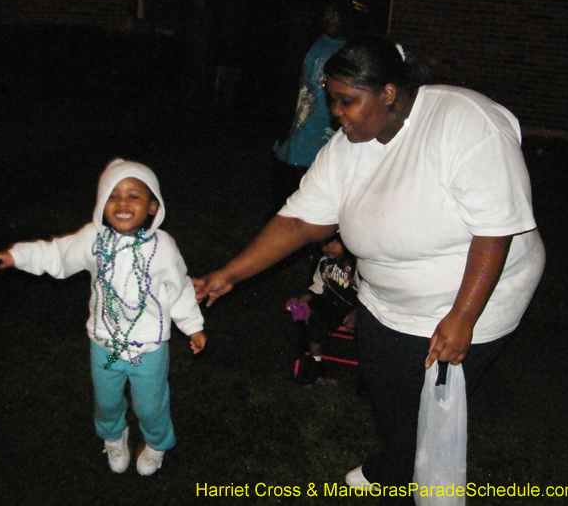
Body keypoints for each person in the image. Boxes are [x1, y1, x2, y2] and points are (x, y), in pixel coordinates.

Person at [195, 37, 545, 503]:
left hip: (478, 295)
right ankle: (395, 463)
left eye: (346, 101)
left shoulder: (464, 123)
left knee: (431, 409)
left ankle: (418, 476)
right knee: (387, 393)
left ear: (388, 93)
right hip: (384, 298)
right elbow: (301, 220)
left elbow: (494, 230)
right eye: (333, 100)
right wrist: (230, 274)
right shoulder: (349, 146)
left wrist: (463, 318)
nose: (336, 113)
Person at [0, 158, 206, 476]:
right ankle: (114, 436)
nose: (122, 203)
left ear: (153, 207)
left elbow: (179, 287)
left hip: (149, 349)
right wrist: (15, 256)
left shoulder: (164, 247)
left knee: (150, 404)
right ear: (102, 203)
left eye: (133, 195)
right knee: (107, 400)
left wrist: (193, 326)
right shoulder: (92, 239)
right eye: (113, 195)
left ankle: (156, 442)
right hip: (104, 343)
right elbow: (55, 253)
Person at [271, 0, 349, 208]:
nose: (329, 18)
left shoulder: (351, 50)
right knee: (289, 181)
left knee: (319, 179)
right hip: (299, 122)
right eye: (327, 12)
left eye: (336, 13)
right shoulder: (310, 41)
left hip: (329, 125)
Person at [288, 233, 358, 386]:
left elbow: (367, 292)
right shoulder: (323, 263)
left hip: (354, 305)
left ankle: (363, 378)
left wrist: (355, 313)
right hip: (331, 304)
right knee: (313, 318)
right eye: (325, 244)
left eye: (335, 243)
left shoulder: (355, 263)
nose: (329, 247)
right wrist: (302, 300)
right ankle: (315, 364)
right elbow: (317, 287)